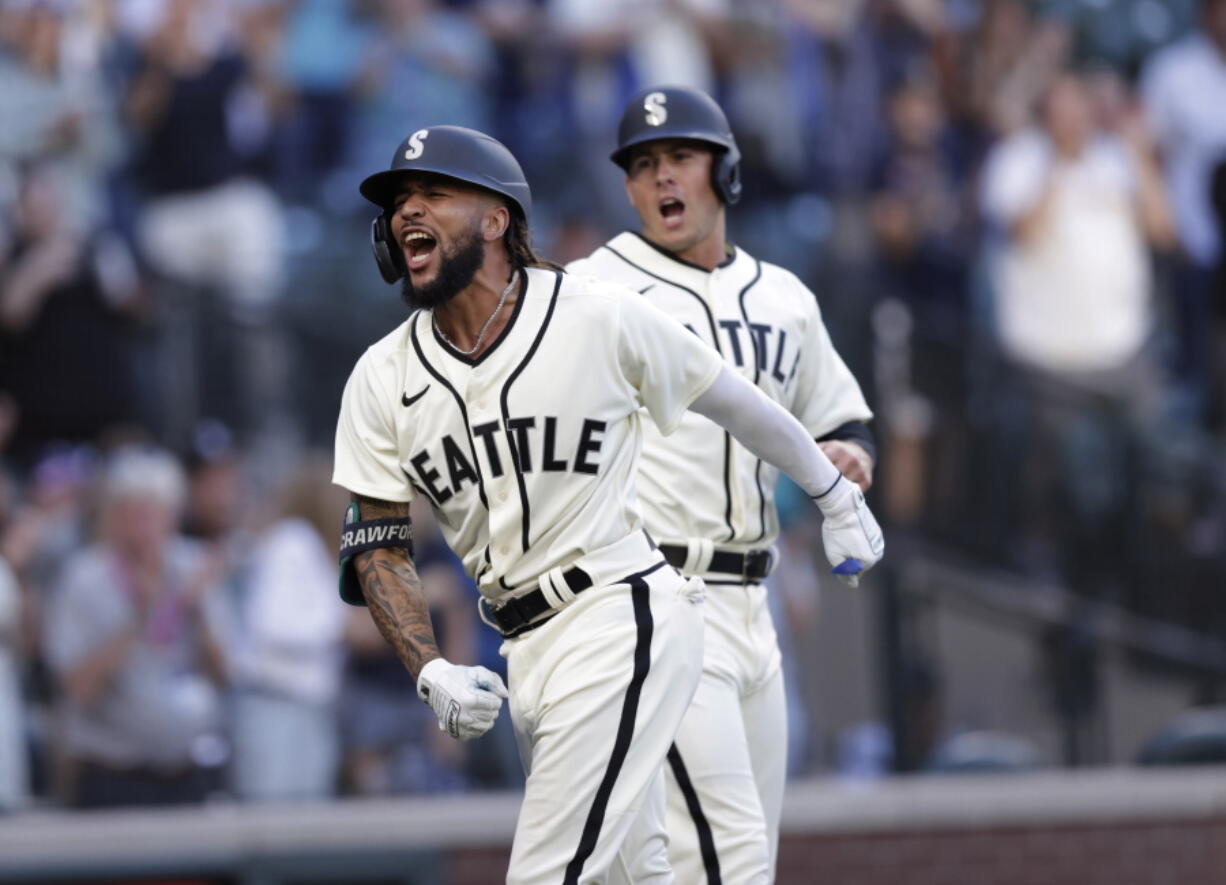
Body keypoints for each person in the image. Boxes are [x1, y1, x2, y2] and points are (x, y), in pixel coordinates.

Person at [333, 124, 883, 883]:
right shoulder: (378, 376)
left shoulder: (592, 311)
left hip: (623, 614)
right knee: (640, 874)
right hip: (525, 650)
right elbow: (378, 543)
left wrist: (829, 491)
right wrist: (430, 669)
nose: (406, 211)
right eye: (398, 201)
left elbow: (733, 400)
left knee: (557, 873)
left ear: (496, 218)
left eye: (432, 193)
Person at [565, 85, 877, 884]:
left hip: (755, 604)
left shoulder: (784, 299)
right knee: (730, 856)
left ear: (725, 173)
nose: (662, 178)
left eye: (680, 158)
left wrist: (847, 455)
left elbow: (841, 418)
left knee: (729, 854)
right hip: (660, 597)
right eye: (643, 164)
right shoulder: (597, 291)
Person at [43, 446, 231, 809]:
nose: (139, 528)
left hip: (187, 771)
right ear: (111, 517)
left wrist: (198, 611)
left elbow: (225, 673)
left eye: (150, 514)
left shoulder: (193, 566)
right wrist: (141, 615)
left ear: (172, 516)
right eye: (130, 514)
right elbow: (76, 687)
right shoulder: (84, 578)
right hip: (110, 774)